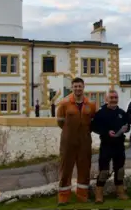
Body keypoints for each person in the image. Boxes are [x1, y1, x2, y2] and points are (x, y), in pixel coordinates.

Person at [56, 77, 97, 205]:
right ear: (72, 88)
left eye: (80, 86)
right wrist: (70, 132)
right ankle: (63, 197)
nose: (78, 88)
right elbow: (60, 122)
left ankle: (82, 195)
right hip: (68, 141)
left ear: (83, 87)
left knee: (84, 168)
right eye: (75, 86)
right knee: (66, 168)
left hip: (85, 140)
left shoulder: (90, 104)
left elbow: (93, 122)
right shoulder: (64, 103)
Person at [91, 89, 130, 203]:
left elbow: (128, 127)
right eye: (111, 98)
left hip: (119, 145)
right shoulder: (100, 113)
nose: (113, 100)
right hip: (106, 145)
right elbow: (94, 127)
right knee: (103, 171)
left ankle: (120, 192)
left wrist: (126, 128)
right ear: (107, 99)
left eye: (115, 98)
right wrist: (106, 132)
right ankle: (99, 195)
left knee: (120, 170)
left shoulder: (122, 113)